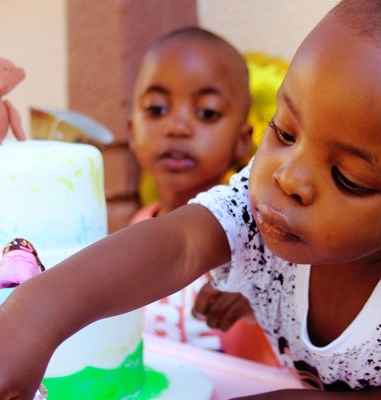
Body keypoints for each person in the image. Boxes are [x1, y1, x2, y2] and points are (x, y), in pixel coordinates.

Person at [0, 0, 381, 398]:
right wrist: (27, 322)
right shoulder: (274, 195)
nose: (289, 178)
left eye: (349, 178)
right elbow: (181, 241)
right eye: (285, 129)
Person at [127, 26, 278, 365]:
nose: (177, 127)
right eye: (156, 109)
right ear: (132, 131)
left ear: (243, 140)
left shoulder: (262, 242)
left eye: (207, 112)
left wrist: (261, 304)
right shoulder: (134, 229)